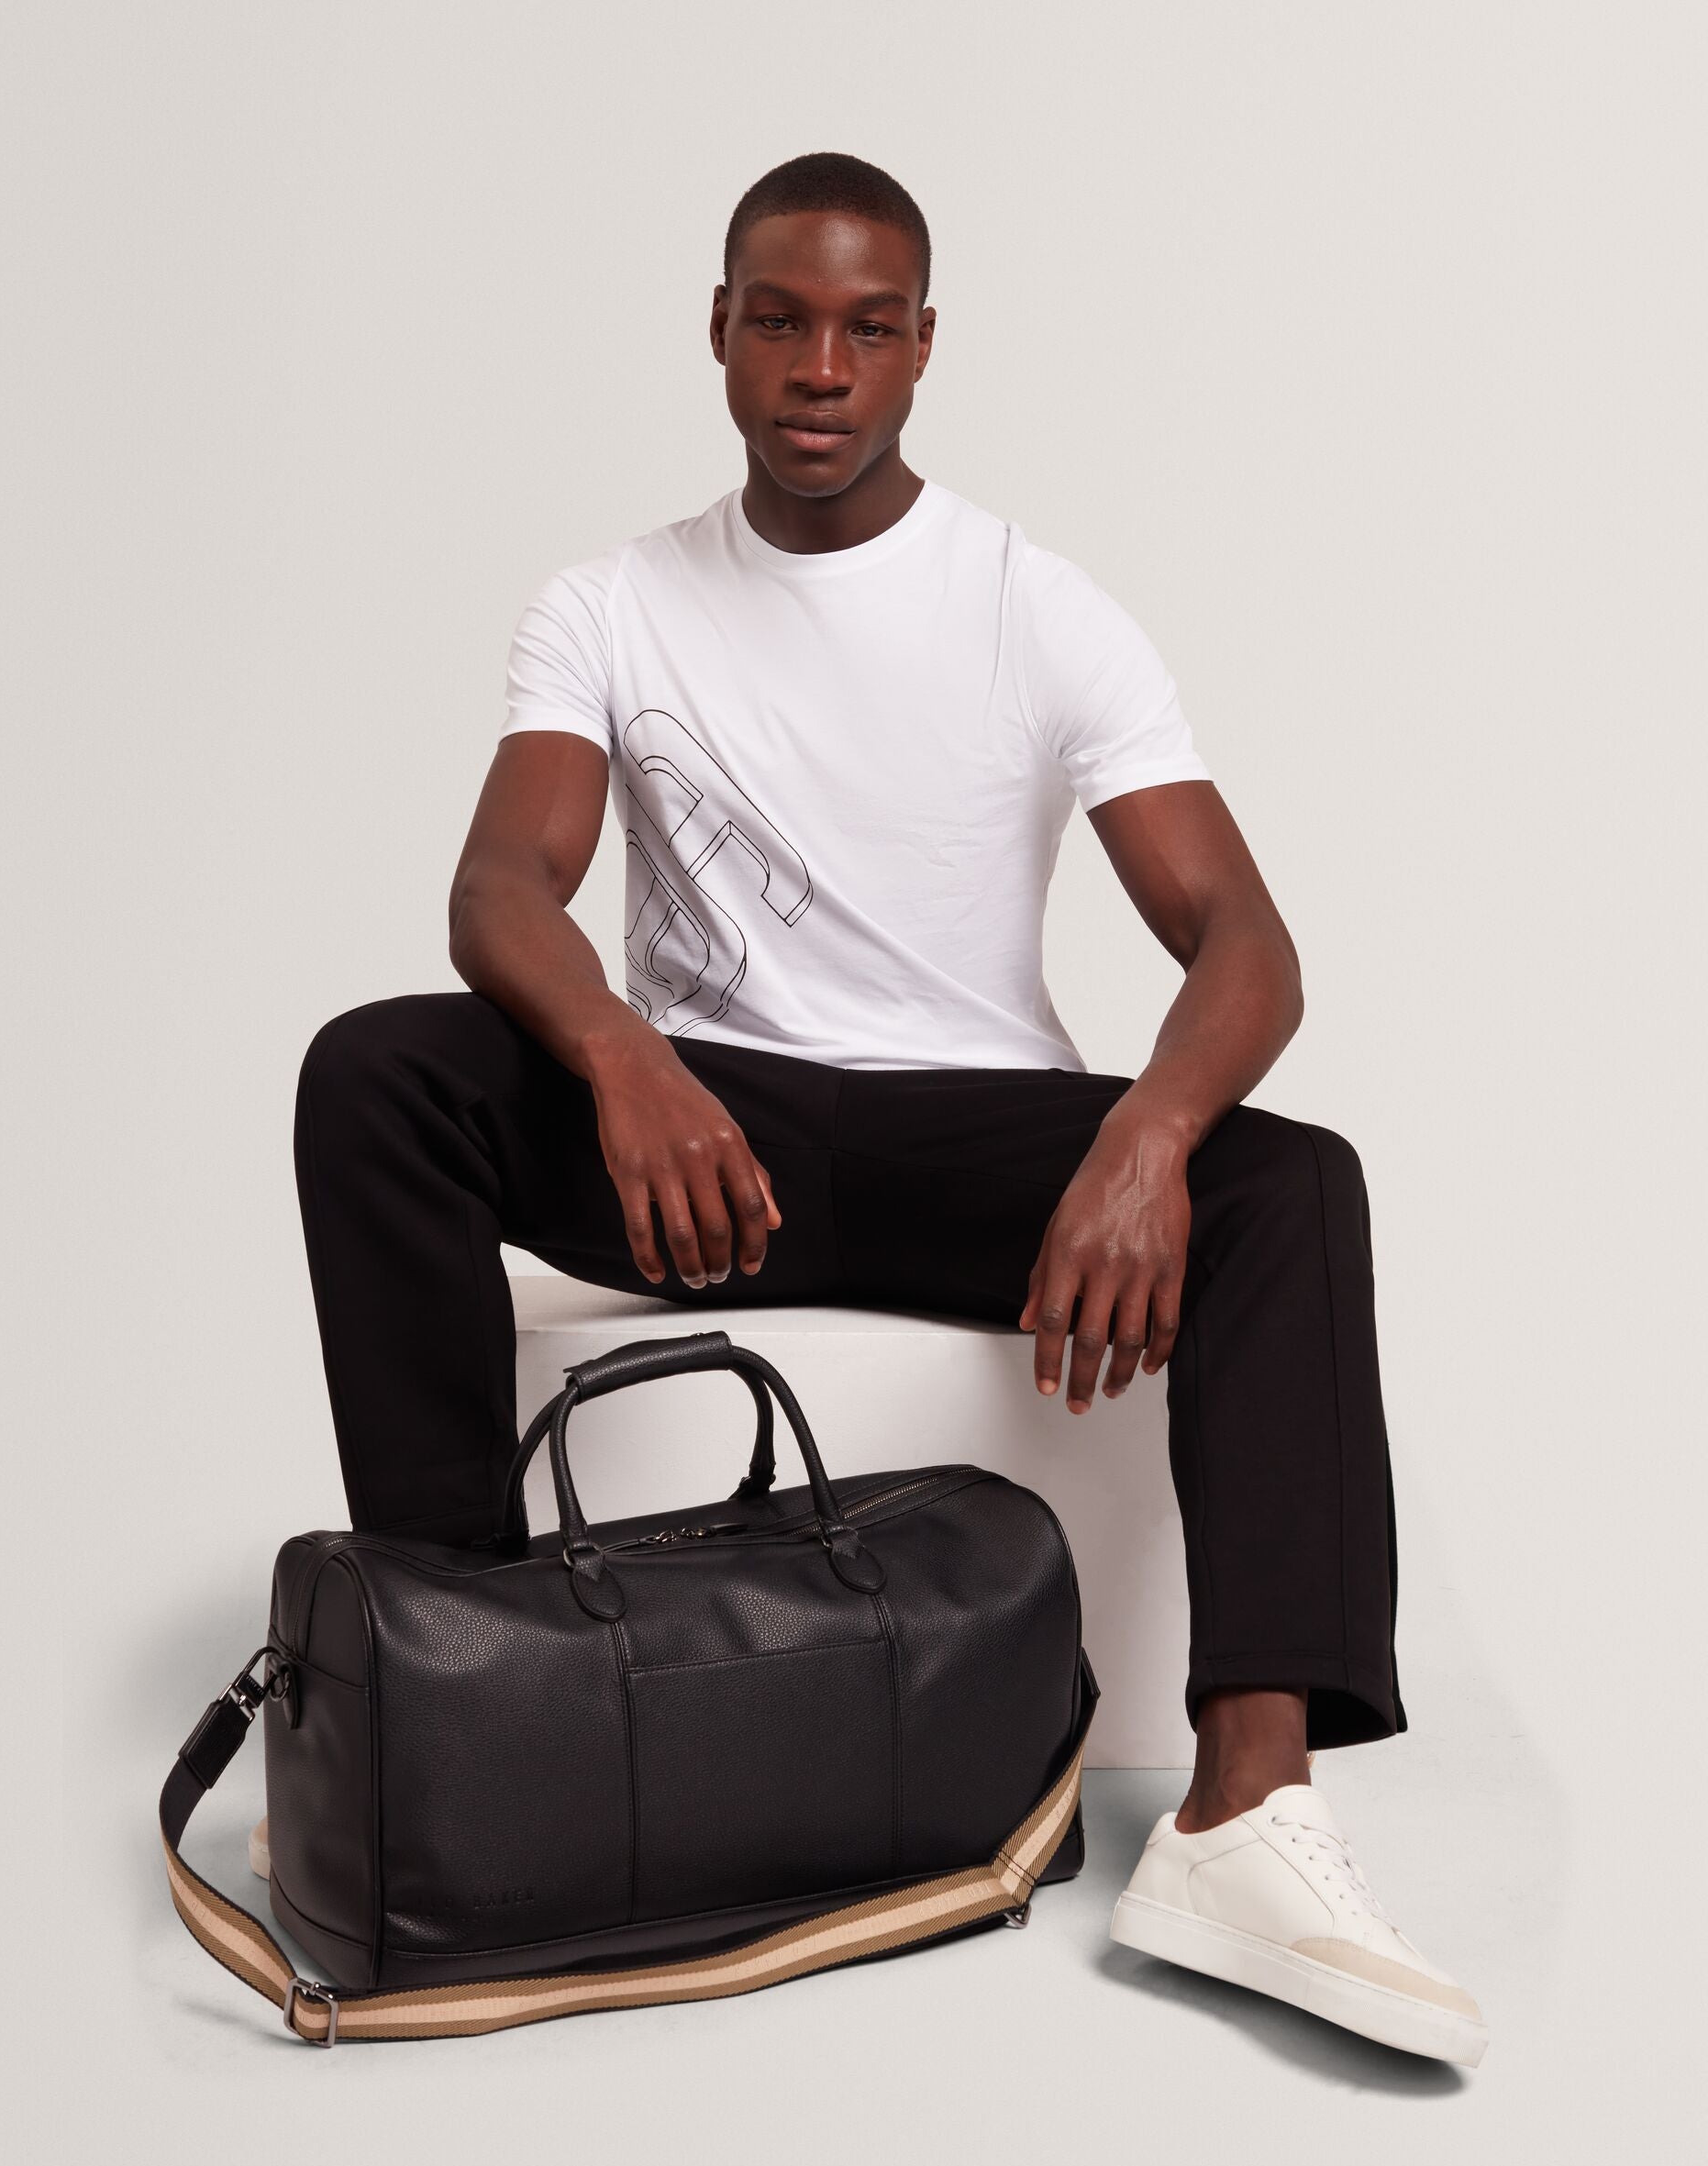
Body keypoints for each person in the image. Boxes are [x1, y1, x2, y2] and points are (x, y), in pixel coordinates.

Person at [292, 151, 1485, 2066]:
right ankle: (462, 1679)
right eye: (780, 321)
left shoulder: (1040, 607)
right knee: (378, 1072)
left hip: (969, 1135)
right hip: (708, 1145)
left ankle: (1245, 1812)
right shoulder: (610, 602)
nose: (821, 368)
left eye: (866, 328)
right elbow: (503, 888)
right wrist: (627, 1059)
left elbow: (1247, 945)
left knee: (1295, 1182)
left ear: (925, 346)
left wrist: (1145, 1138)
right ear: (721, 331)